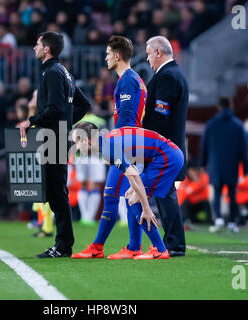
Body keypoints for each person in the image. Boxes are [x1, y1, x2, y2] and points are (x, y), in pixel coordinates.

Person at [72, 35, 148, 259]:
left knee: (122, 195)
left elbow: (125, 119)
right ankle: (108, 246)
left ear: (117, 55)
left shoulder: (127, 80)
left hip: (127, 145)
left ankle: (134, 247)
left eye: (107, 54)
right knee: (118, 195)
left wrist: (113, 148)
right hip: (131, 143)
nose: (105, 58)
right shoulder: (133, 79)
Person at [18, 31, 90, 258]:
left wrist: (32, 120)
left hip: (53, 137)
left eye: (37, 44)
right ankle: (63, 243)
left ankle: (63, 245)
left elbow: (55, 108)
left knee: (56, 191)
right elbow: (83, 104)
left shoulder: (51, 73)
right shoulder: (64, 72)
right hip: (58, 135)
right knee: (55, 190)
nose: (34, 48)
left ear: (47, 49)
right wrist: (66, 124)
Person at [72, 122, 184, 259]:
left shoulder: (108, 148)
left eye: (76, 142)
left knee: (133, 198)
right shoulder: (107, 141)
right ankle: (135, 249)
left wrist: (147, 208)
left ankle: (160, 249)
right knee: (129, 195)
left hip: (167, 158)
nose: (76, 147)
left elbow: (134, 176)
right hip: (166, 155)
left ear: (85, 140)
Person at [142, 35, 188, 256]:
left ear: (158, 52)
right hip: (169, 146)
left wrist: (146, 139)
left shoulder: (167, 77)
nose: (148, 58)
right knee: (163, 192)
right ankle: (172, 243)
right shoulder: (173, 74)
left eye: (149, 53)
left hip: (164, 148)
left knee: (165, 193)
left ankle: (174, 245)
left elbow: (161, 115)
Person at [202, 97, 248, 233]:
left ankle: (219, 219)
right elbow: (243, 148)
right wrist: (245, 167)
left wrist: (203, 163)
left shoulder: (211, 124)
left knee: (217, 192)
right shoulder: (238, 125)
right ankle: (232, 222)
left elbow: (204, 145)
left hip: (215, 164)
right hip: (232, 164)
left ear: (219, 107)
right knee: (232, 194)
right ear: (231, 105)